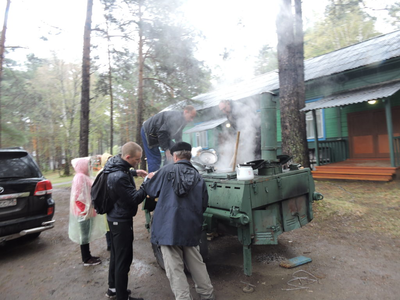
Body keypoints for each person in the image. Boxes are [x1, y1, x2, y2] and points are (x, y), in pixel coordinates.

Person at [143, 142, 215, 300]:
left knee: (174, 268)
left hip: (168, 228)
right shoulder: (198, 176)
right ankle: (207, 294)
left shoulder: (166, 171)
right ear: (189, 156)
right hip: (190, 227)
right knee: (196, 263)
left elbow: (150, 190)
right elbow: (203, 204)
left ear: (175, 156)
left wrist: (148, 179)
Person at [103, 142, 153, 300]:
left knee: (117, 256)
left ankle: (113, 288)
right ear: (127, 157)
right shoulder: (119, 177)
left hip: (114, 216)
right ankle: (122, 296)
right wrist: (146, 182)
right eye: (136, 160)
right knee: (123, 259)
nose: (138, 162)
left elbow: (121, 172)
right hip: (121, 220)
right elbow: (134, 199)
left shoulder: (115, 165)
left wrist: (134, 172)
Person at [68, 157, 106, 266]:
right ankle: (86, 259)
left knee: (86, 235)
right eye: (87, 164)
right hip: (83, 213)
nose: (89, 167)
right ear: (82, 166)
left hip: (87, 211)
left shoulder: (84, 177)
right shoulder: (80, 178)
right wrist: (84, 210)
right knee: (84, 236)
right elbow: (77, 196)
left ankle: (88, 255)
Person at [141, 105, 197, 173]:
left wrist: (182, 149)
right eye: (191, 117)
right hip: (149, 133)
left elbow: (178, 135)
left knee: (173, 152)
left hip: (163, 135)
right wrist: (166, 149)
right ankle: (152, 180)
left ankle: (166, 172)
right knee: (155, 159)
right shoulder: (174, 118)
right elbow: (162, 132)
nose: (192, 120)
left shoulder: (183, 121)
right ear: (185, 112)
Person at [99, 152, 113, 251]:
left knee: (111, 224)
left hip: (111, 202)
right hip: (104, 202)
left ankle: (112, 243)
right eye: (108, 159)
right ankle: (109, 244)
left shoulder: (111, 171)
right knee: (107, 225)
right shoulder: (101, 172)